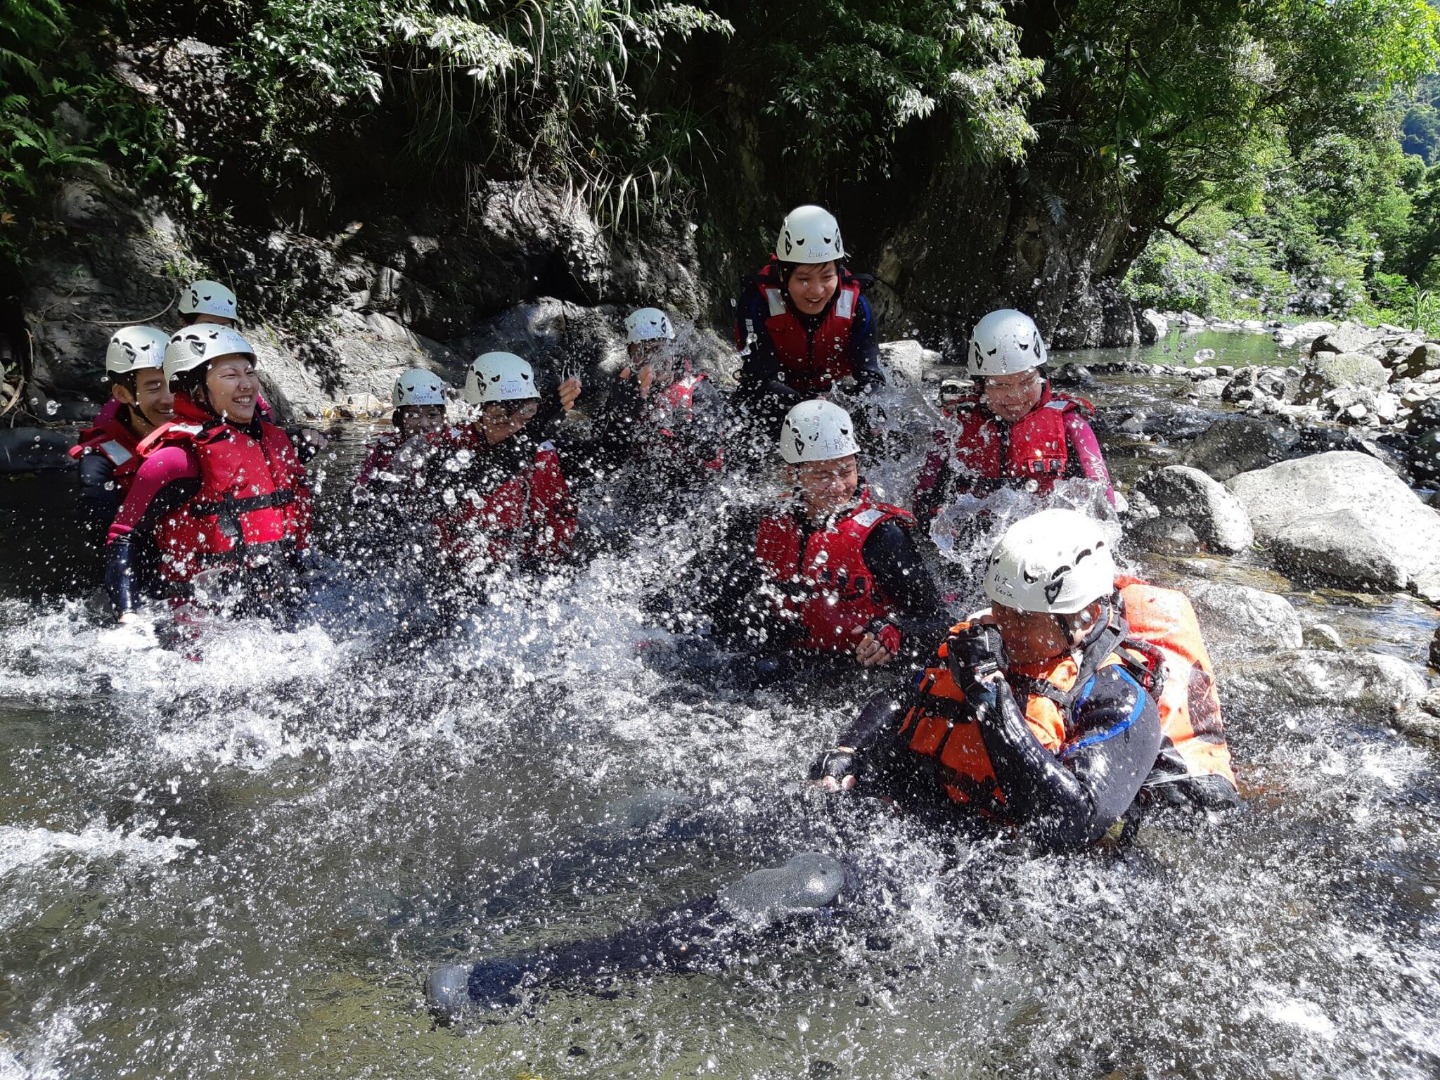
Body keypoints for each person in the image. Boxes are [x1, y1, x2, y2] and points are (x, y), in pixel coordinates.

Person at [812, 508, 1238, 849]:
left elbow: (1071, 823)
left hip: (1023, 858)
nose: (1003, 626)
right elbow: (907, 695)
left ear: (1083, 619)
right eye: (1000, 608)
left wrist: (991, 696)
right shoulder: (988, 632)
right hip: (934, 822)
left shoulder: (1119, 699)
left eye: (1022, 618)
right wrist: (850, 747)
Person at [689, 400, 948, 670]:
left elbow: (940, 622)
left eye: (846, 472)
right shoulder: (767, 524)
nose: (837, 487)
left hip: (855, 672)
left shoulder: (883, 535)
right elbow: (720, 605)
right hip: (787, 663)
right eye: (822, 475)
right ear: (793, 474)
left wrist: (895, 631)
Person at [103, 325, 313, 623]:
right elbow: (124, 538)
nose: (246, 385)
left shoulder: (273, 441)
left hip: (278, 599)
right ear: (195, 388)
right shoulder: (174, 459)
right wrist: (128, 617)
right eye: (230, 375)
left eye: (249, 372)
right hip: (205, 619)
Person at [913, 309, 1113, 520]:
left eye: (1027, 382)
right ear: (980, 386)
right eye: (1000, 385)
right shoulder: (954, 428)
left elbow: (1106, 508)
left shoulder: (1071, 425)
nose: (1015, 396)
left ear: (1041, 377)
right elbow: (924, 503)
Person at [424, 351, 578, 578]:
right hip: (464, 575)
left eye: (525, 413)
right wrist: (532, 430)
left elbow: (611, 456)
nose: (515, 427)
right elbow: (481, 477)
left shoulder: (539, 445)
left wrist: (627, 398)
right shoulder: (446, 451)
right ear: (474, 414)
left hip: (535, 567)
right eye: (500, 416)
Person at [732, 205, 884, 435]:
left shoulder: (856, 305)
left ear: (839, 272)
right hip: (776, 398)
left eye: (827, 277)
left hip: (833, 395)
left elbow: (871, 375)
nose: (816, 291)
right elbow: (759, 379)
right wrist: (811, 408)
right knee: (743, 418)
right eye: (803, 279)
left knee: (879, 422)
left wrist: (866, 413)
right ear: (783, 275)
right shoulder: (757, 303)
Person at [575, 307, 725, 506]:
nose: (651, 359)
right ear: (630, 355)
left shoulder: (699, 389)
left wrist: (675, 423)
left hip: (695, 481)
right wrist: (623, 413)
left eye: (656, 349)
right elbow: (609, 452)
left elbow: (709, 448)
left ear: (671, 349)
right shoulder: (626, 388)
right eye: (640, 352)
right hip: (646, 476)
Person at [177, 278, 328, 461]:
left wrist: (294, 444)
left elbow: (260, 436)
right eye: (208, 325)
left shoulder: (248, 388)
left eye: (223, 327)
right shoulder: (174, 381)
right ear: (184, 325)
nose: (215, 333)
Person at [70, 326, 175, 539]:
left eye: (173, 384)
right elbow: (101, 538)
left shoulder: (204, 433)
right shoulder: (99, 462)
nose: (169, 398)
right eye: (154, 388)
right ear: (122, 394)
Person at [354, 369, 449, 489]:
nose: (424, 424)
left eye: (432, 415)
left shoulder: (454, 445)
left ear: (444, 418)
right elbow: (359, 492)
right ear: (399, 419)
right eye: (414, 415)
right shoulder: (386, 448)